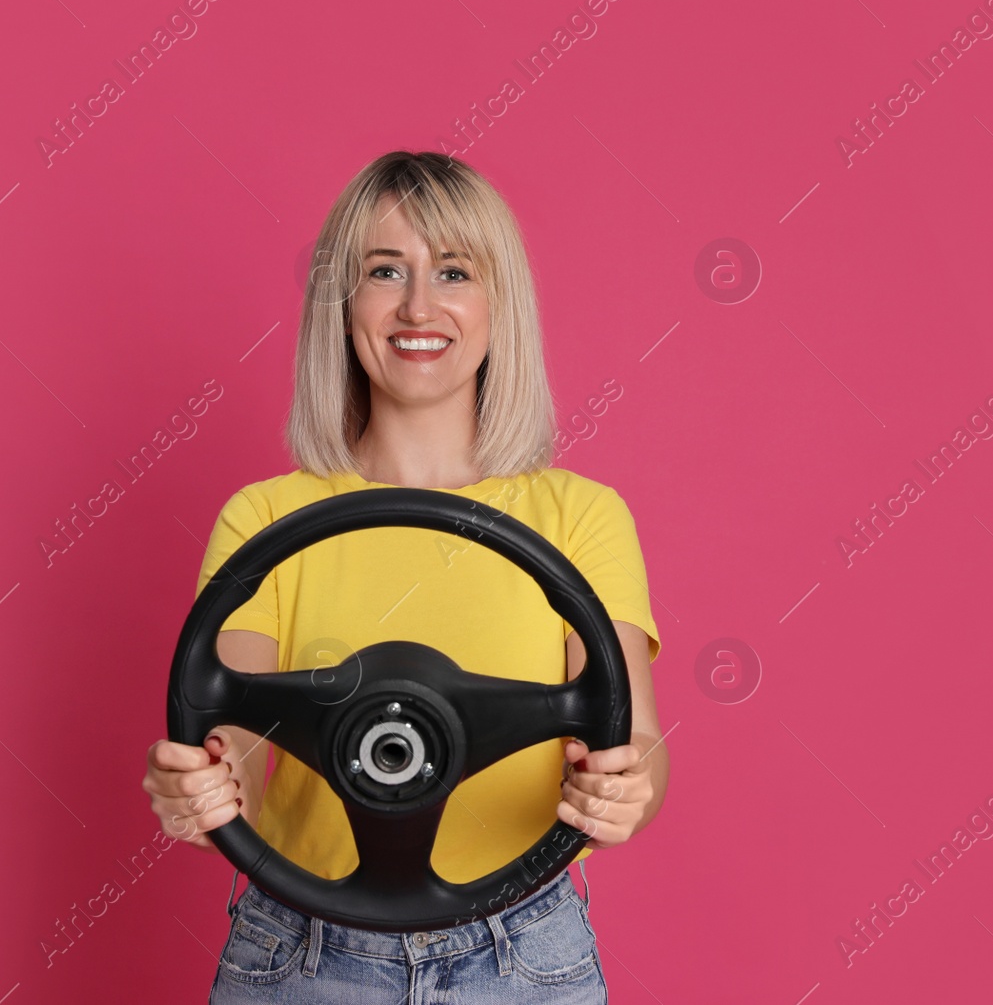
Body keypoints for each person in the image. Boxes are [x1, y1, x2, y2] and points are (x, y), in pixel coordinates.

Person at [142, 150, 667, 1002]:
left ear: (499, 305)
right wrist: (201, 785)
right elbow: (227, 731)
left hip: (522, 955)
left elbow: (634, 740)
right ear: (342, 305)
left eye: (453, 271)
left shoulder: (580, 516)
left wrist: (625, 790)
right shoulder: (266, 520)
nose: (419, 305)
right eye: (385, 271)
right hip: (300, 952)